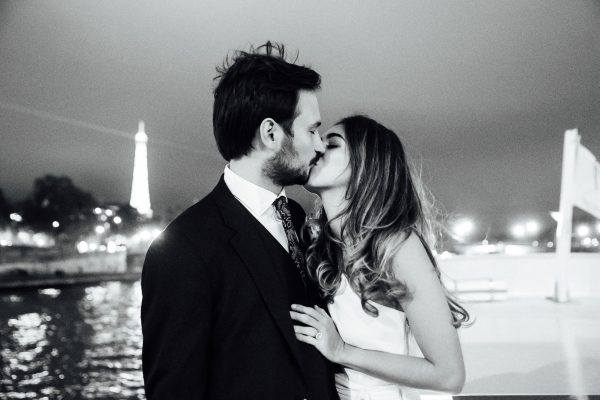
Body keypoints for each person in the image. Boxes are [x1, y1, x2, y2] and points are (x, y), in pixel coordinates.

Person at [141, 42, 339, 399]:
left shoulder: (295, 216)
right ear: (270, 133)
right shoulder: (183, 248)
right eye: (311, 131)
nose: (321, 145)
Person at [290, 115, 470, 399]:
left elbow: (449, 376)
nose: (317, 148)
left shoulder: (396, 246)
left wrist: (342, 351)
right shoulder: (321, 246)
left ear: (366, 164)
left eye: (332, 144)